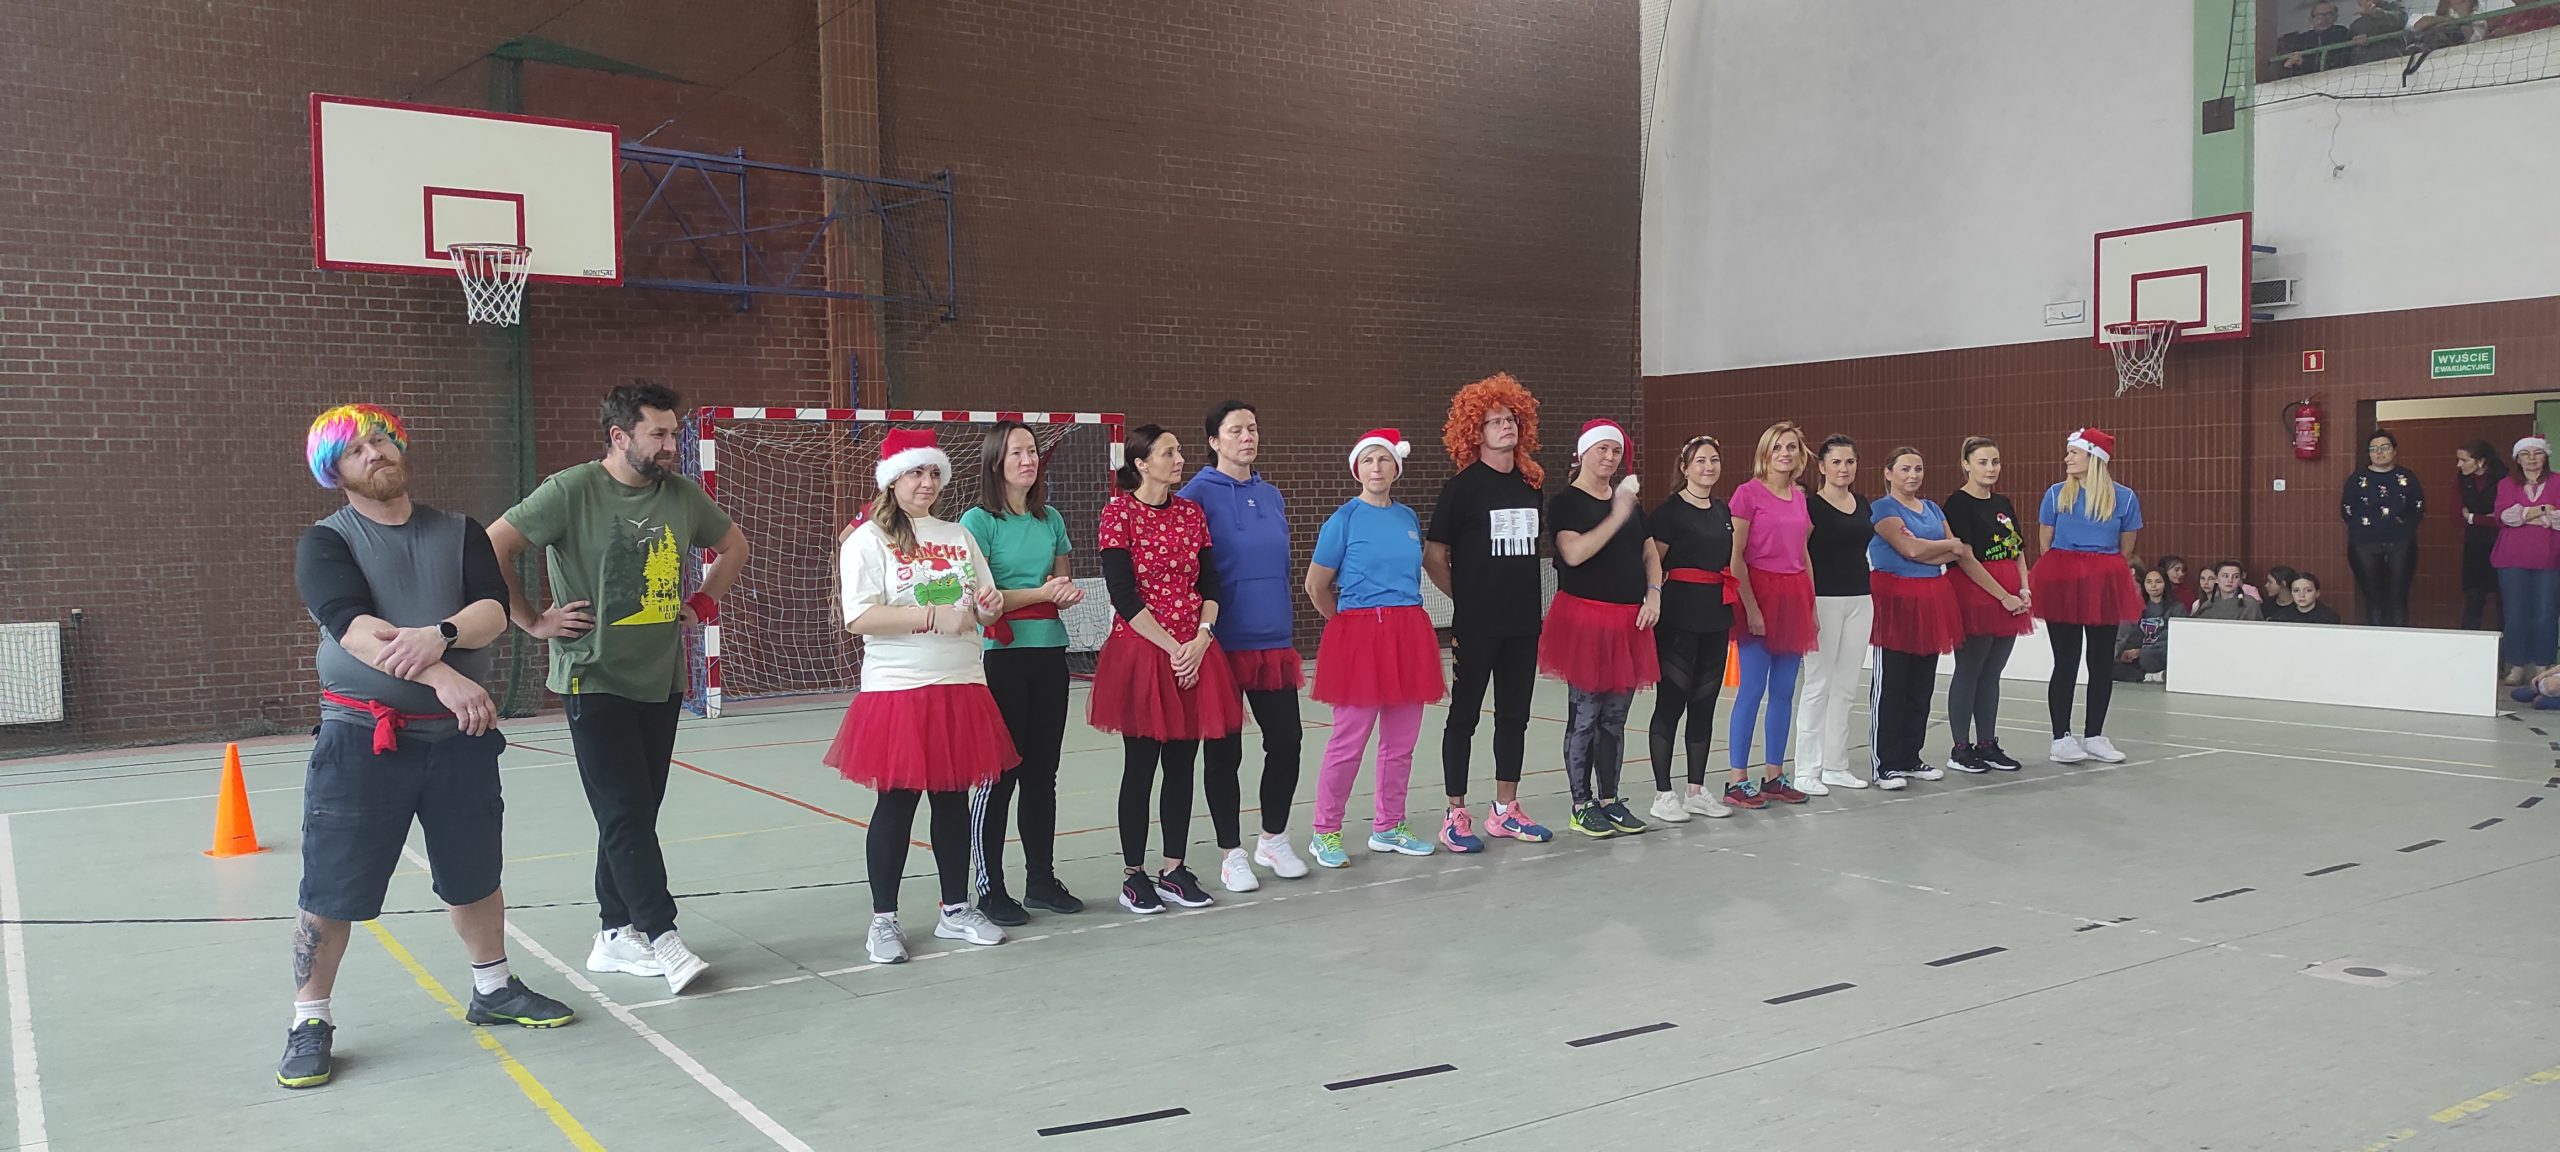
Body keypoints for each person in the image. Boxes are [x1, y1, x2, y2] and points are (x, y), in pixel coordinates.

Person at [280, 404, 576, 1090]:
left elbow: (490, 612)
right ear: (335, 472)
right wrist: (444, 676)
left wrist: (438, 634)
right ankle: (309, 1020)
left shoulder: (459, 531)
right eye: (355, 450)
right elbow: (355, 630)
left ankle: (493, 988)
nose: (375, 452)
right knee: (332, 887)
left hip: (459, 740)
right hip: (363, 740)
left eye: (381, 439)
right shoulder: (326, 543)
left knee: (475, 872)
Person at [487, 381, 749, 996]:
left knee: (633, 812)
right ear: (619, 436)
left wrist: (702, 601)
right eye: (658, 433)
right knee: (626, 811)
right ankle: (662, 935)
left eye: (674, 432)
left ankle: (613, 933)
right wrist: (532, 620)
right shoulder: (572, 490)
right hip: (593, 675)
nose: (671, 444)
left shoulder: (681, 496)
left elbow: (733, 546)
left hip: (660, 677)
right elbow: (494, 544)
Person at [829, 430, 1017, 964]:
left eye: (934, 472)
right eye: (916, 472)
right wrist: (931, 615)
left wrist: (989, 606)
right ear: (893, 479)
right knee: (897, 802)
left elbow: (985, 605)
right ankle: (883, 920)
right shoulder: (867, 540)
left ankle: (955, 909)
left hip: (961, 683)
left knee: (952, 800)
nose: (928, 482)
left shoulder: (958, 535)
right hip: (899, 688)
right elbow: (859, 616)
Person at [1090, 424, 1245, 913]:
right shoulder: (1118, 513)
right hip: (1142, 654)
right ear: (1141, 463)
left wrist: (1201, 639)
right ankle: (1133, 874)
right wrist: (1174, 648)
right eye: (1168, 452)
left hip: (1194, 652)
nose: (1179, 459)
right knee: (1140, 767)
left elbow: (1211, 585)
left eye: (1178, 451)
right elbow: (1122, 593)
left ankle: (1173, 867)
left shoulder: (1191, 514)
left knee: (1182, 765)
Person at [958, 422, 1089, 924]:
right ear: (997, 461)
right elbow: (982, 596)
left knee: (1042, 775)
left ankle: (1041, 879)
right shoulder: (978, 522)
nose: (1027, 460)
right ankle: (990, 886)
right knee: (1001, 775)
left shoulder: (1050, 518)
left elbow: (1062, 580)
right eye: (1016, 452)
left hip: (1049, 654)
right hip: (1002, 656)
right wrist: (1040, 593)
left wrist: (1063, 593)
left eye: (1032, 451)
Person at [1181, 401, 1310, 891]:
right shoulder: (1195, 496)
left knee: (1287, 741)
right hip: (1219, 642)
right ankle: (1230, 853)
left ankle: (1273, 839)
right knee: (1224, 751)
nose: (1247, 437)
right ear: (1214, 441)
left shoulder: (1272, 495)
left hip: (1271, 639)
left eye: (1252, 428)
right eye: (1235, 430)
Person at [1303, 429, 1447, 865]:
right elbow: (1316, 585)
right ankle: (1325, 831)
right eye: (1368, 460)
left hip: (1408, 633)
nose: (1376, 467)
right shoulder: (1343, 519)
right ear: (1357, 470)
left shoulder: (1408, 518)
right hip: (1360, 634)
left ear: (1396, 468)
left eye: (1384, 459)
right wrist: (1348, 627)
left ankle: (1389, 826)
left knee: (1401, 744)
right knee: (1349, 741)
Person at [1426, 373, 1554, 849]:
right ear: (1474, 432)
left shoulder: (1530, 485)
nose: (1506, 427)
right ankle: (1455, 813)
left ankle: (1505, 809)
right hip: (1477, 625)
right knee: (1464, 716)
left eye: (1511, 419)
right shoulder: (1461, 489)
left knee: (1515, 716)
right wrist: (1466, 597)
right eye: (1495, 421)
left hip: (1523, 623)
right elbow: (1434, 555)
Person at [1543, 419, 1661, 839]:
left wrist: (1654, 593)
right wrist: (1617, 514)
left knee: (1615, 719)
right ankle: (1582, 803)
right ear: (1583, 453)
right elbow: (1574, 553)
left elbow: (1649, 552)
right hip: (1585, 621)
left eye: (1616, 451)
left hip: (1628, 621)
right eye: (1602, 450)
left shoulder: (1628, 504)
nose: (1610, 458)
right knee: (1585, 716)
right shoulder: (1566, 503)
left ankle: (1610, 799)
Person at [2032, 428, 2142, 766]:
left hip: (2104, 583)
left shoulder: (2124, 498)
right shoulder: (2056, 494)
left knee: (2100, 662)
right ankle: (2061, 737)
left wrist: (2100, 573)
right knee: (2066, 661)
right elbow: (2045, 542)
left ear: (2093, 458)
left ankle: (2094, 735)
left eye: (2073, 453)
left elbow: (2125, 548)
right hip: (2064, 581)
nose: (2067, 458)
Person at [1643, 435, 1738, 823]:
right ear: (1684, 468)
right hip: (1679, 617)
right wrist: (1651, 600)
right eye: (1700, 461)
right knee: (1671, 702)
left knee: (1705, 704)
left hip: (1715, 614)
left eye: (1714, 460)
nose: (1708, 467)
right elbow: (1652, 563)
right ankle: (1663, 793)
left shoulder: (1723, 511)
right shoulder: (1668, 513)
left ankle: (1696, 790)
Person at [1866, 448, 1971, 790]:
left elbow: (1956, 549)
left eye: (1918, 468)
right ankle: (1885, 764)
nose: (1913, 475)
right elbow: (1908, 549)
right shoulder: (1883, 509)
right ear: (1888, 473)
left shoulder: (1933, 509)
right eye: (1905, 469)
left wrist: (1934, 547)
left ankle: (1910, 757)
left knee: (1921, 684)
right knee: (1892, 684)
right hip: (1895, 600)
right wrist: (1938, 547)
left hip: (1930, 602)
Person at [1730, 423, 1822, 806]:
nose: (1785, 453)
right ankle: (1737, 779)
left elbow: (1803, 553)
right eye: (1778, 447)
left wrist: (1811, 605)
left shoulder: (1799, 497)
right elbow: (1736, 557)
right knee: (1752, 688)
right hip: (1759, 591)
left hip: (1793, 594)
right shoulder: (1747, 494)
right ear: (1765, 453)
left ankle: (1774, 775)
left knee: (1784, 691)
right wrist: (1752, 607)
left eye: (1791, 447)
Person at [1942, 436, 2034, 774]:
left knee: (1992, 672)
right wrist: (2002, 596)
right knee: (1970, 669)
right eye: (1982, 462)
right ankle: (1960, 748)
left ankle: (1986, 743)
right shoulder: (1958, 504)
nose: (1990, 468)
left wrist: (2023, 587)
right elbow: (1964, 557)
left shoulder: (2003, 503)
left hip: (2009, 595)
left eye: (1995, 462)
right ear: (1966, 464)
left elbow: (2017, 549)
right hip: (1977, 593)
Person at [1790, 433, 1872, 796]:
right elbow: (1800, 553)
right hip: (1823, 599)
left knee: (1846, 686)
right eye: (1836, 462)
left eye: (1850, 462)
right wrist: (1807, 604)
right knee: (1818, 684)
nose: (1844, 468)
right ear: (1822, 467)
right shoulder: (1810, 507)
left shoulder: (1863, 503)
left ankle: (1836, 765)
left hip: (1860, 599)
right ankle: (1806, 769)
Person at [2492, 436, 2560, 686]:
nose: (2531, 458)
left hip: (2550, 558)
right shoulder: (2506, 483)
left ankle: (2543, 664)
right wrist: (2543, 510)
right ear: (2517, 459)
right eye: (2525, 453)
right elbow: (2505, 516)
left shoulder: (2558, 481)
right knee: (2515, 612)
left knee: (2546, 612)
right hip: (2512, 558)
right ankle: (2517, 664)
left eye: (2537, 453)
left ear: (2545, 456)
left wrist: (2524, 514)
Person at [2342, 429, 2425, 627]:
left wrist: (2403, 529)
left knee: (2398, 596)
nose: (2379, 452)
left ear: (2394, 450)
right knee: (2374, 598)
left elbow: (2418, 507)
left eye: (2384, 447)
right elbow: (2347, 510)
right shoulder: (2357, 479)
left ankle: (2400, 639)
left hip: (2401, 542)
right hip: (2364, 543)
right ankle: (2377, 640)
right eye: (2373, 449)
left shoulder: (2407, 477)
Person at [2456, 440, 2507, 630]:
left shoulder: (2503, 479)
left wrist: (2473, 517)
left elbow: (2503, 518)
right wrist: (2485, 517)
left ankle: (2505, 644)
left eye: (2464, 460)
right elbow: (2455, 516)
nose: (2459, 465)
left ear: (2481, 461)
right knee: (2473, 599)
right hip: (2474, 545)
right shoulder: (2462, 479)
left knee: (2504, 600)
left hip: (2500, 544)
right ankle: (2468, 642)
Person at [2114, 568, 2174, 682]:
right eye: (2149, 582)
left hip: (2157, 653)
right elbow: (2129, 635)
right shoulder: (2138, 608)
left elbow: (2172, 639)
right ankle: (2149, 676)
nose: (2153, 585)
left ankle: (2145, 674)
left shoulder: (2176, 608)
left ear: (2165, 584)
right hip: (2137, 654)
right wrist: (2125, 652)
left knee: (2148, 657)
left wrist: (2141, 652)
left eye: (2158, 581)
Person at [2280, 1, 2356, 73]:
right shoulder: (2302, 39)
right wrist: (2290, 64)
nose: (2324, 20)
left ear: (2335, 17)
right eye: (2319, 16)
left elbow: (2343, 60)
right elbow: (2289, 67)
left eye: (2328, 15)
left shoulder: (2342, 32)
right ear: (2311, 20)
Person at [2192, 561, 2264, 621]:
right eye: (2225, 576)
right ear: (2216, 579)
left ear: (2240, 580)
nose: (2230, 580)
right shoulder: (2208, 605)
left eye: (2235, 576)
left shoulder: (2250, 604)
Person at [2266, 572, 2343, 625]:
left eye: (2308, 590)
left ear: (2317, 593)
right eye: (2296, 590)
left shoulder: (2329, 618)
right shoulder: (2281, 617)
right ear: (2291, 593)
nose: (2301, 595)